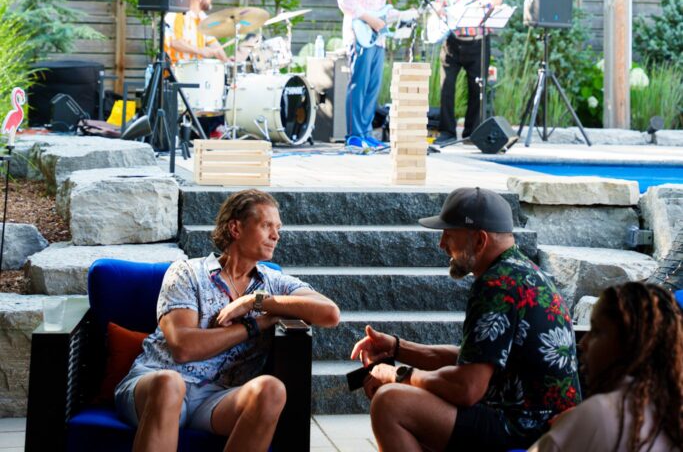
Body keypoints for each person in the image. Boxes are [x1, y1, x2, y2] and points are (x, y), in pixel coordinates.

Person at [351, 186, 580, 452]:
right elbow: (472, 361)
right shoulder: (521, 271)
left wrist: (397, 374)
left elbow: (467, 388)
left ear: (480, 240)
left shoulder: (497, 285)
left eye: (449, 235)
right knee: (415, 404)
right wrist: (397, 348)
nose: (441, 244)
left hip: (527, 429)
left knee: (391, 402)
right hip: (532, 419)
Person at [115, 189, 340, 452]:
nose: (276, 236)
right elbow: (184, 348)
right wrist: (254, 324)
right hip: (156, 385)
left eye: (278, 228)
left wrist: (256, 302)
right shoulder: (187, 272)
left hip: (219, 397)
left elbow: (330, 313)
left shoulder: (274, 283)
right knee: (170, 384)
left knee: (271, 389)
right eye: (266, 225)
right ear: (235, 228)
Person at [528, 281, 683, 452]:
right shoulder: (670, 412)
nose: (582, 342)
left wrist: (570, 426)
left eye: (596, 331)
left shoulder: (597, 415)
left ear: (629, 345)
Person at [337, 0, 414, 152]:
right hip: (360, 36)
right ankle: (354, 135)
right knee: (359, 85)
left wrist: (401, 15)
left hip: (376, 38)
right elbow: (345, 1)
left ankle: (366, 133)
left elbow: (381, 11)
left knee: (373, 86)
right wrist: (370, 18)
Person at [432, 0, 499, 145]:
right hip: (453, 42)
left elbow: (498, 7)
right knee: (446, 87)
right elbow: (438, 4)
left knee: (477, 88)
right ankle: (447, 132)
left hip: (478, 43)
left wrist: (496, 4)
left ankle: (471, 133)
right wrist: (437, 8)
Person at [164, 0, 229, 65]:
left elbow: (215, 46)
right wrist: (201, 51)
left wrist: (227, 62)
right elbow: (175, 42)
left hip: (195, 71)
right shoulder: (177, 14)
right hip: (175, 70)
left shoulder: (203, 18)